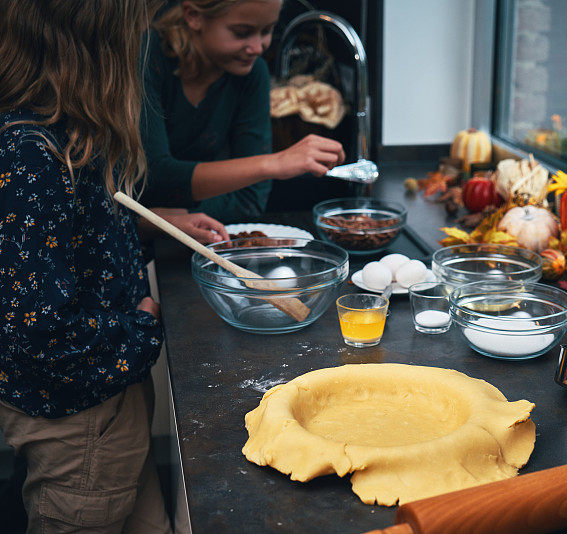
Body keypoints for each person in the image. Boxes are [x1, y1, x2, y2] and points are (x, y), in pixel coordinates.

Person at [0, 1, 226, 532]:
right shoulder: (31, 152)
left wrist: (152, 222)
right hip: (81, 419)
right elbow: (37, 331)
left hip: (106, 400)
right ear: (101, 47)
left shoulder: (61, 132)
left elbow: (60, 243)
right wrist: (142, 327)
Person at [140, 0, 346, 223]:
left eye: (267, 31)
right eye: (242, 33)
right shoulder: (147, 58)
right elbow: (154, 178)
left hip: (194, 233)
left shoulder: (252, 72)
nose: (258, 48)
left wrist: (172, 217)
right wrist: (274, 163)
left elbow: (250, 200)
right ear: (193, 16)